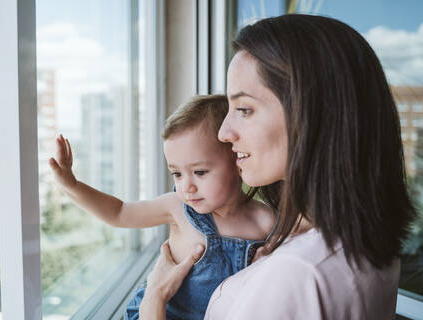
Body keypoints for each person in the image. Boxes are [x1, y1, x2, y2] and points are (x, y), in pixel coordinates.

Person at [139, 14, 416, 319]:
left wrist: (154, 298)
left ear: (312, 116)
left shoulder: (293, 274)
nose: (224, 133)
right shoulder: (364, 242)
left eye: (244, 110)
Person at [48, 95, 275, 320]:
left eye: (200, 172)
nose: (187, 186)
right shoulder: (177, 208)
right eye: (176, 173)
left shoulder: (267, 222)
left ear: (238, 160)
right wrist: (72, 185)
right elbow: (119, 213)